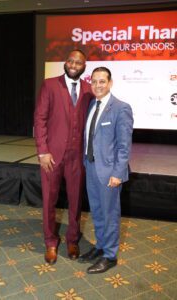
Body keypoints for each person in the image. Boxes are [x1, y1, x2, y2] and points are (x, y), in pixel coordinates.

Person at [34, 49, 93, 264]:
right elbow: (40, 118)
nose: (74, 64)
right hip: (52, 155)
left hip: (77, 157)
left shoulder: (89, 89)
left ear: (84, 66)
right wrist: (42, 151)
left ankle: (72, 239)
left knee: (76, 200)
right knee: (49, 200)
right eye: (71, 60)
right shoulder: (50, 85)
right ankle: (50, 241)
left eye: (79, 62)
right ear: (65, 62)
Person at [79, 67, 133, 274]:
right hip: (91, 167)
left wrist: (118, 174)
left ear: (110, 83)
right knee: (97, 211)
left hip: (110, 172)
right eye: (94, 81)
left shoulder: (121, 108)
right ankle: (101, 246)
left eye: (102, 81)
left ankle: (110, 256)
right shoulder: (92, 104)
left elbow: (124, 146)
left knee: (110, 214)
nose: (97, 85)